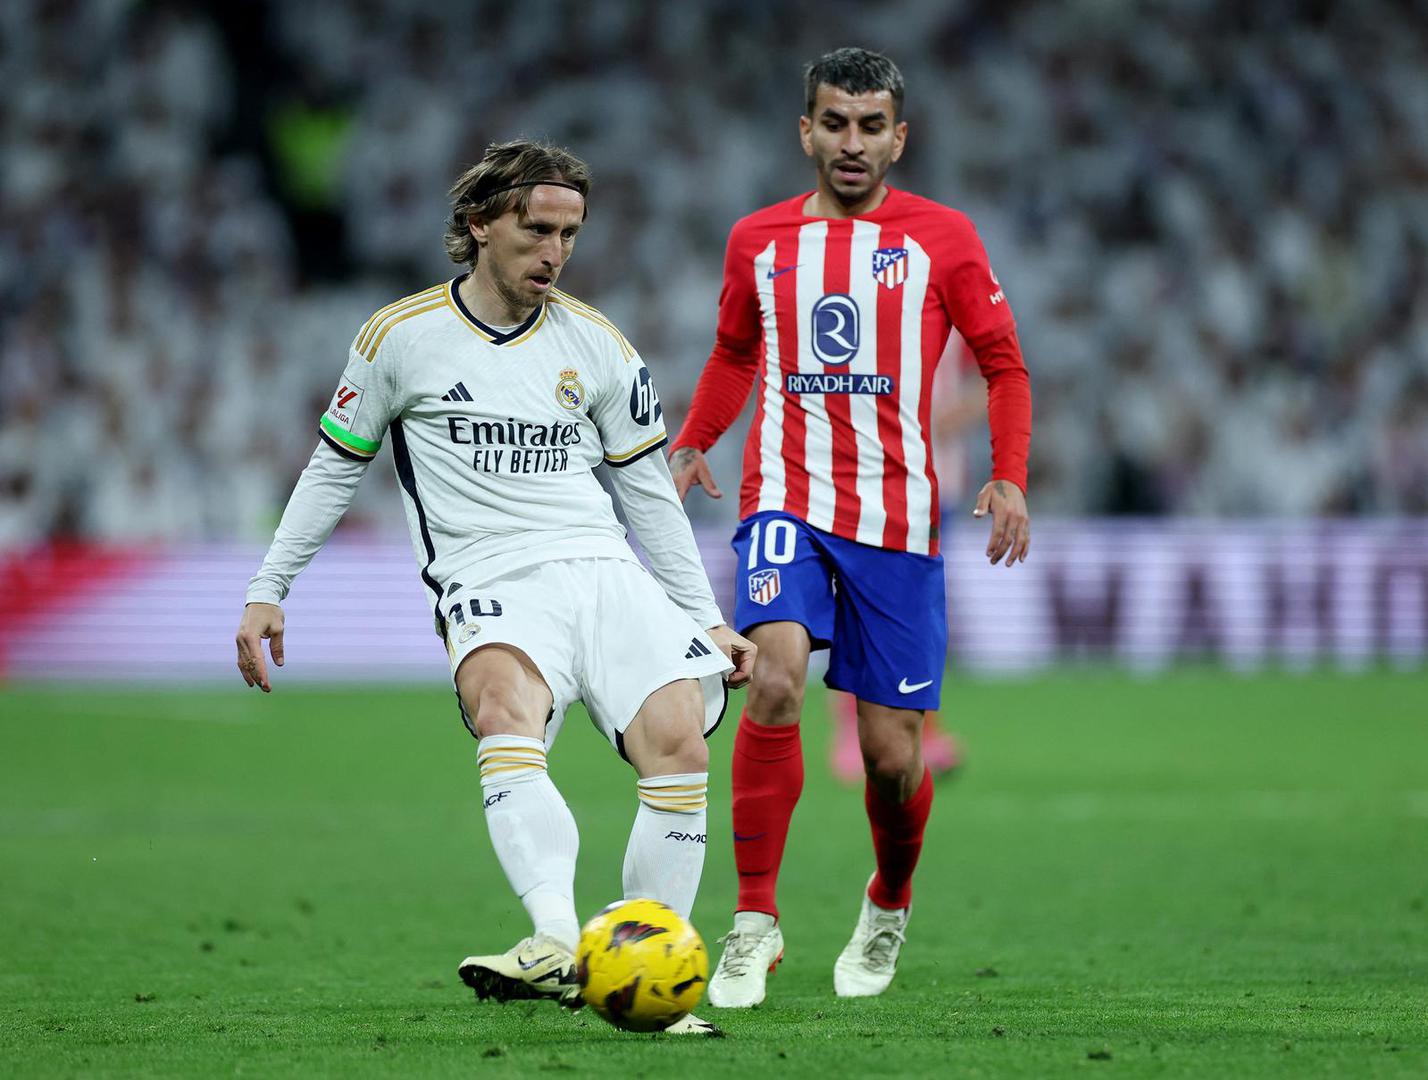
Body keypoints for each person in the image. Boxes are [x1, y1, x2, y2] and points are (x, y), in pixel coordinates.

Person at [235, 139, 755, 1036]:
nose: (555, 252)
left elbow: (645, 492)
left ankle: (650, 980)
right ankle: (554, 938)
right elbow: (334, 466)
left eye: (570, 234)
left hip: (602, 564)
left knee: (679, 742)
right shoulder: (400, 338)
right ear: (479, 224)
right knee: (503, 707)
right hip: (489, 572)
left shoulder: (598, 344)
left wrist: (705, 616)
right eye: (537, 229)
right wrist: (268, 586)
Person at [670, 48, 1032, 1006]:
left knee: (892, 756)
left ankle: (889, 901)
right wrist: (696, 438)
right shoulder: (758, 240)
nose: (852, 142)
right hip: (783, 500)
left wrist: (1009, 475)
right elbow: (734, 353)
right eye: (835, 123)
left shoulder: (944, 238)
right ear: (807, 132)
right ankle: (754, 921)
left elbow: (1003, 364)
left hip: (897, 519)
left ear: (898, 138)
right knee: (773, 677)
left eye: (872, 126)